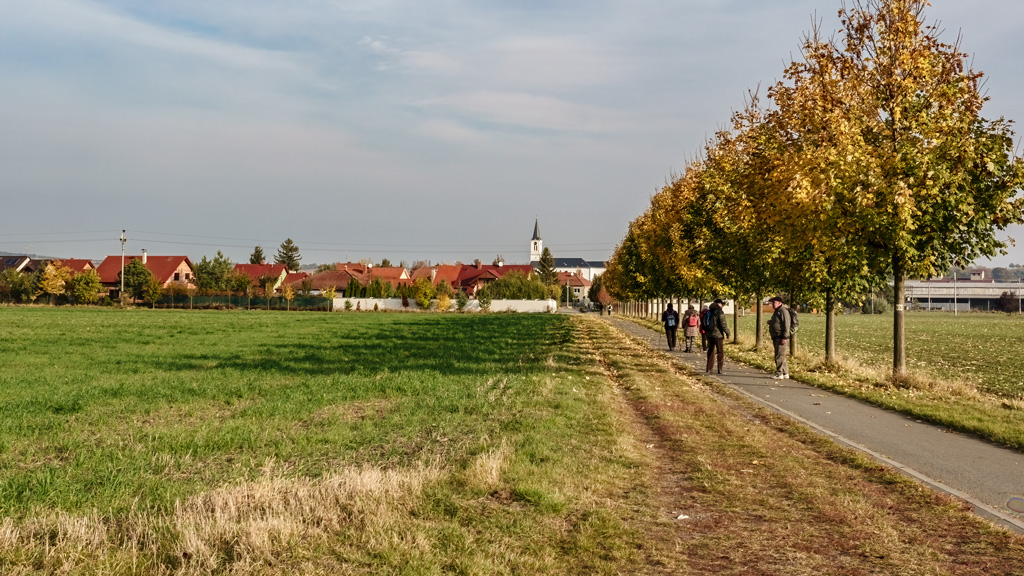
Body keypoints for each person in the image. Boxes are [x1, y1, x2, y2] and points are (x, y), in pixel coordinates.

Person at [767, 296, 792, 379]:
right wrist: (772, 322)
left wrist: (785, 337)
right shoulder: (777, 311)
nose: (773, 304)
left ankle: (779, 373)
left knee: (778, 356)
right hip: (776, 336)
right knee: (781, 355)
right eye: (772, 303)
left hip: (780, 336)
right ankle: (785, 373)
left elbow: (786, 324)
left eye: (774, 303)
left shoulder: (783, 311)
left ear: (779, 303)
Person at [705, 299, 730, 374]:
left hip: (709, 334)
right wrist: (727, 332)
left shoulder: (709, 311)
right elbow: (723, 324)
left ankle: (709, 368)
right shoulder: (719, 312)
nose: (722, 306)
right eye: (722, 304)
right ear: (719, 304)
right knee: (720, 352)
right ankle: (720, 369)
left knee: (710, 351)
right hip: (718, 335)